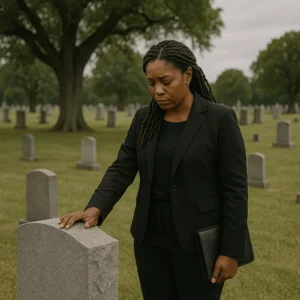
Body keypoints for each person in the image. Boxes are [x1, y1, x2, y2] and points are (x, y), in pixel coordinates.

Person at [58, 40, 253, 300]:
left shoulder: (219, 120)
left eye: (166, 81)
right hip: (150, 241)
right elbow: (122, 168)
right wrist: (95, 207)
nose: (158, 90)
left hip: (198, 242)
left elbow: (235, 190)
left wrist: (231, 251)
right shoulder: (144, 119)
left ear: (187, 75)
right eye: (151, 83)